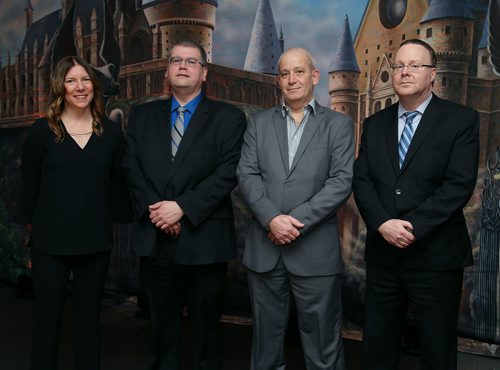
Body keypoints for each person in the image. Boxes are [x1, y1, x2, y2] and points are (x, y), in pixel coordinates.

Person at [352, 39, 480, 370]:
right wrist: (382, 223)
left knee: (436, 352)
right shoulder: (374, 124)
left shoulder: (461, 119)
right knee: (378, 349)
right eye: (399, 66)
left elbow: (458, 185)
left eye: (415, 65)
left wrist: (413, 228)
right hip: (384, 257)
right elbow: (362, 182)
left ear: (433, 73)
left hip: (435, 257)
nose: (404, 71)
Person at [123, 40, 246, 370]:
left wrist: (182, 208)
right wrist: (158, 210)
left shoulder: (229, 118)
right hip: (156, 236)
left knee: (206, 329)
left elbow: (228, 172)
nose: (182, 65)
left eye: (191, 61)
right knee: (160, 325)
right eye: (176, 59)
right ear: (167, 70)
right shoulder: (142, 115)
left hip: (204, 238)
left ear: (204, 73)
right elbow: (130, 167)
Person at [237, 47, 354, 370]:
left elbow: (340, 182)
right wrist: (272, 219)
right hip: (265, 249)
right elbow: (246, 175)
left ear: (314, 76)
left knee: (323, 346)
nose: (292, 79)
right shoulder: (258, 123)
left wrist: (292, 223)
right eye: (285, 73)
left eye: (299, 71)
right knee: (265, 346)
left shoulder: (339, 125)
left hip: (314, 253)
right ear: (278, 80)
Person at [15, 55, 131, 370]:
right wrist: (30, 233)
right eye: (71, 81)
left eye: (84, 80)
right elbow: (30, 184)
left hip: (94, 243)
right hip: (48, 244)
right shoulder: (42, 131)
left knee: (88, 322)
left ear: (93, 85)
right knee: (46, 321)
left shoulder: (111, 133)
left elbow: (119, 183)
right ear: (61, 87)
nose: (79, 87)